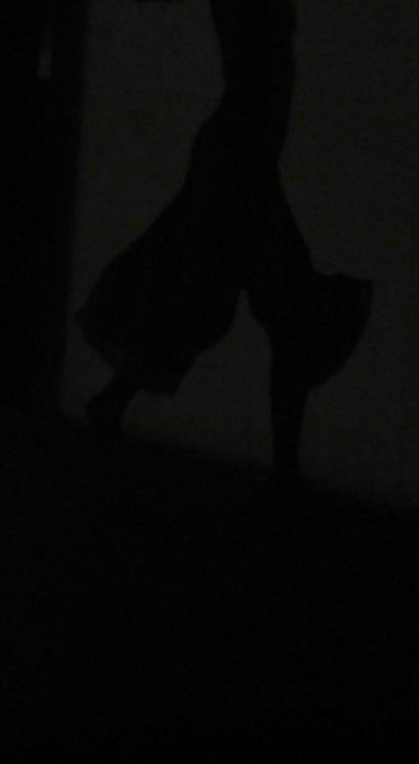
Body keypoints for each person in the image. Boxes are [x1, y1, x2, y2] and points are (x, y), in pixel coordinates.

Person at [76, 0, 371, 488]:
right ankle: (284, 468)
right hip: (238, 162)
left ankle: (117, 400)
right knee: (272, 303)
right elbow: (261, 83)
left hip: (239, 161)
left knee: (221, 297)